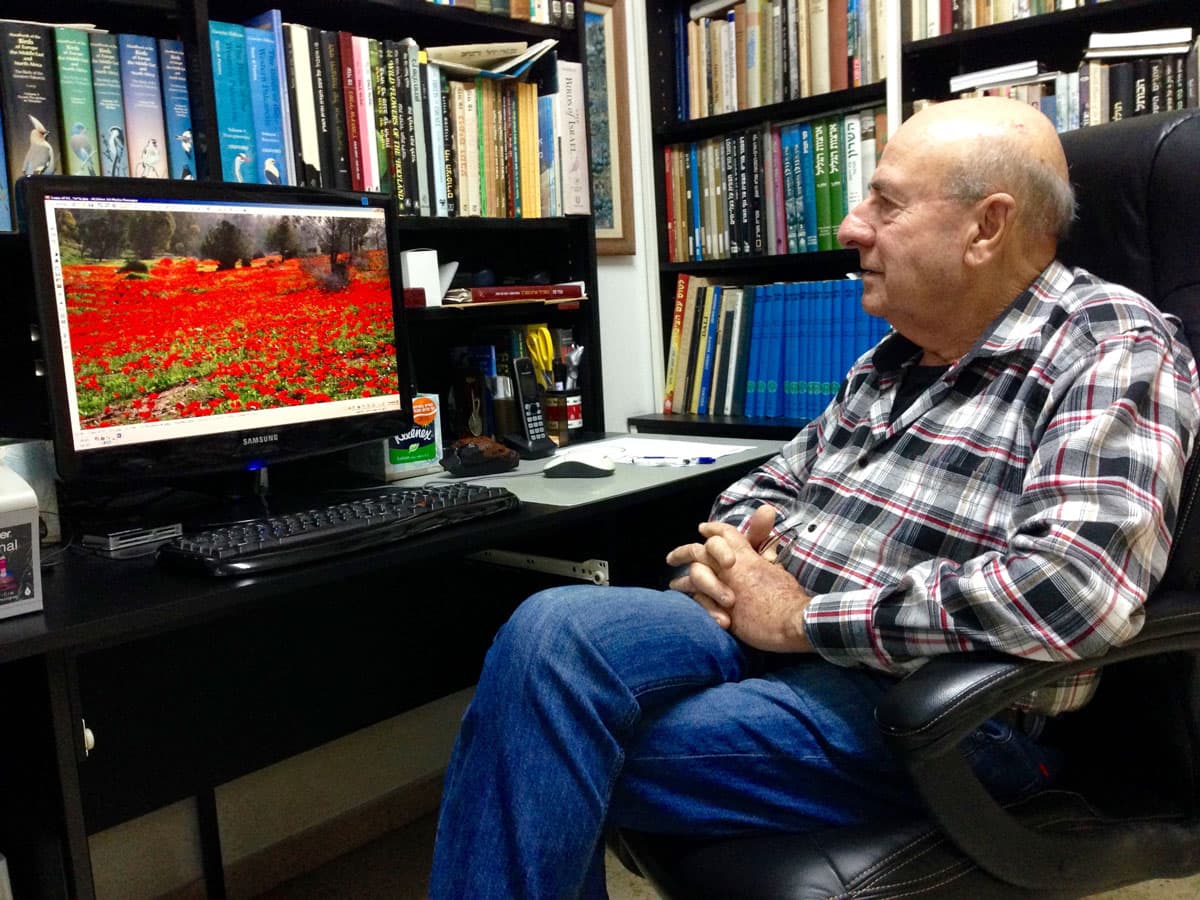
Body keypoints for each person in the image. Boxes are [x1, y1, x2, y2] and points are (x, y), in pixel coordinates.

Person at [429, 97, 1200, 899]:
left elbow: (1072, 593)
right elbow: (767, 486)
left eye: (885, 203)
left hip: (947, 709)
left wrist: (800, 619)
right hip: (770, 636)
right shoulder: (891, 360)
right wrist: (740, 563)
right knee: (550, 628)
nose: (851, 227)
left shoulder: (1113, 348)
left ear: (986, 227)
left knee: (535, 739)